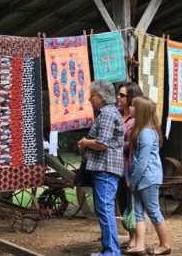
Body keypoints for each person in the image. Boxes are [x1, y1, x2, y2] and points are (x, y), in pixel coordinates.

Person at [77, 79, 124, 256]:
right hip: (104, 168)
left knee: (105, 209)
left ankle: (112, 251)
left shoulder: (108, 114)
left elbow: (102, 143)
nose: (90, 99)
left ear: (102, 96)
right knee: (104, 209)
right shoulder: (109, 113)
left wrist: (85, 142)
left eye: (92, 96)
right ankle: (109, 249)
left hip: (105, 168)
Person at [124, 96, 171, 256]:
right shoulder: (141, 131)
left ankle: (165, 245)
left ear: (141, 111)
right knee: (138, 211)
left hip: (148, 179)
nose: (129, 108)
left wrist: (133, 181)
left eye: (133, 106)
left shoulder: (146, 134)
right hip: (140, 179)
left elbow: (142, 163)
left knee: (153, 211)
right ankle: (139, 246)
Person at [115, 82, 143, 250]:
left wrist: (116, 145)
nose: (119, 98)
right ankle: (130, 237)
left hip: (129, 166)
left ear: (131, 98)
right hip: (115, 166)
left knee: (132, 203)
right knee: (122, 201)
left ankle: (134, 240)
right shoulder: (116, 115)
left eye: (122, 95)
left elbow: (134, 143)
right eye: (119, 95)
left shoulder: (137, 119)